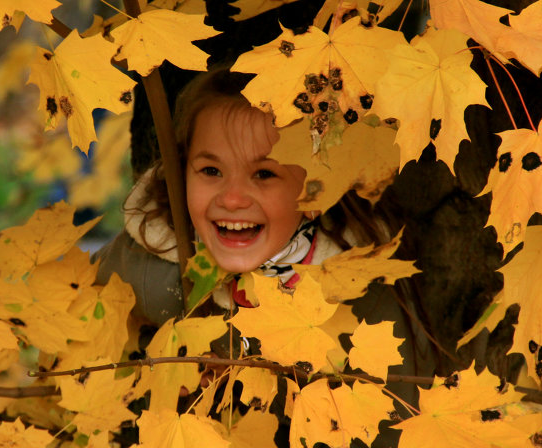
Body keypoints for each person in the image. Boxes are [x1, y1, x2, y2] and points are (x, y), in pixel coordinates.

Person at [95, 67, 435, 403]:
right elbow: (81, 331)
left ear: (319, 190)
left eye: (263, 174)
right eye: (211, 171)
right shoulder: (144, 266)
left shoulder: (362, 297)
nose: (231, 198)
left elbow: (381, 432)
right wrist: (154, 371)